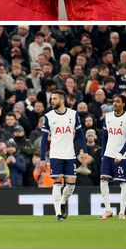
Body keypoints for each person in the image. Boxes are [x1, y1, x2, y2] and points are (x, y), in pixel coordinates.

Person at [40, 89, 89, 221]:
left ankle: (62, 201)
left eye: (55, 99)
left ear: (62, 100)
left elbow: (80, 135)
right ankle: (58, 213)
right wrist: (42, 158)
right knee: (57, 183)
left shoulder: (73, 114)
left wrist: (85, 151)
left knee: (71, 185)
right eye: (51, 99)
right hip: (55, 154)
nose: (52, 101)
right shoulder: (48, 116)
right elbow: (44, 139)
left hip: (70, 154)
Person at [99, 94, 126, 220]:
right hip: (108, 155)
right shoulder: (107, 117)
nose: (114, 104)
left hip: (122, 156)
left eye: (118, 102)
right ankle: (108, 210)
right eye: (114, 101)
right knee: (103, 181)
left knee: (123, 183)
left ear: (123, 104)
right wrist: (103, 154)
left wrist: (120, 153)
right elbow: (105, 137)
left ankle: (122, 212)